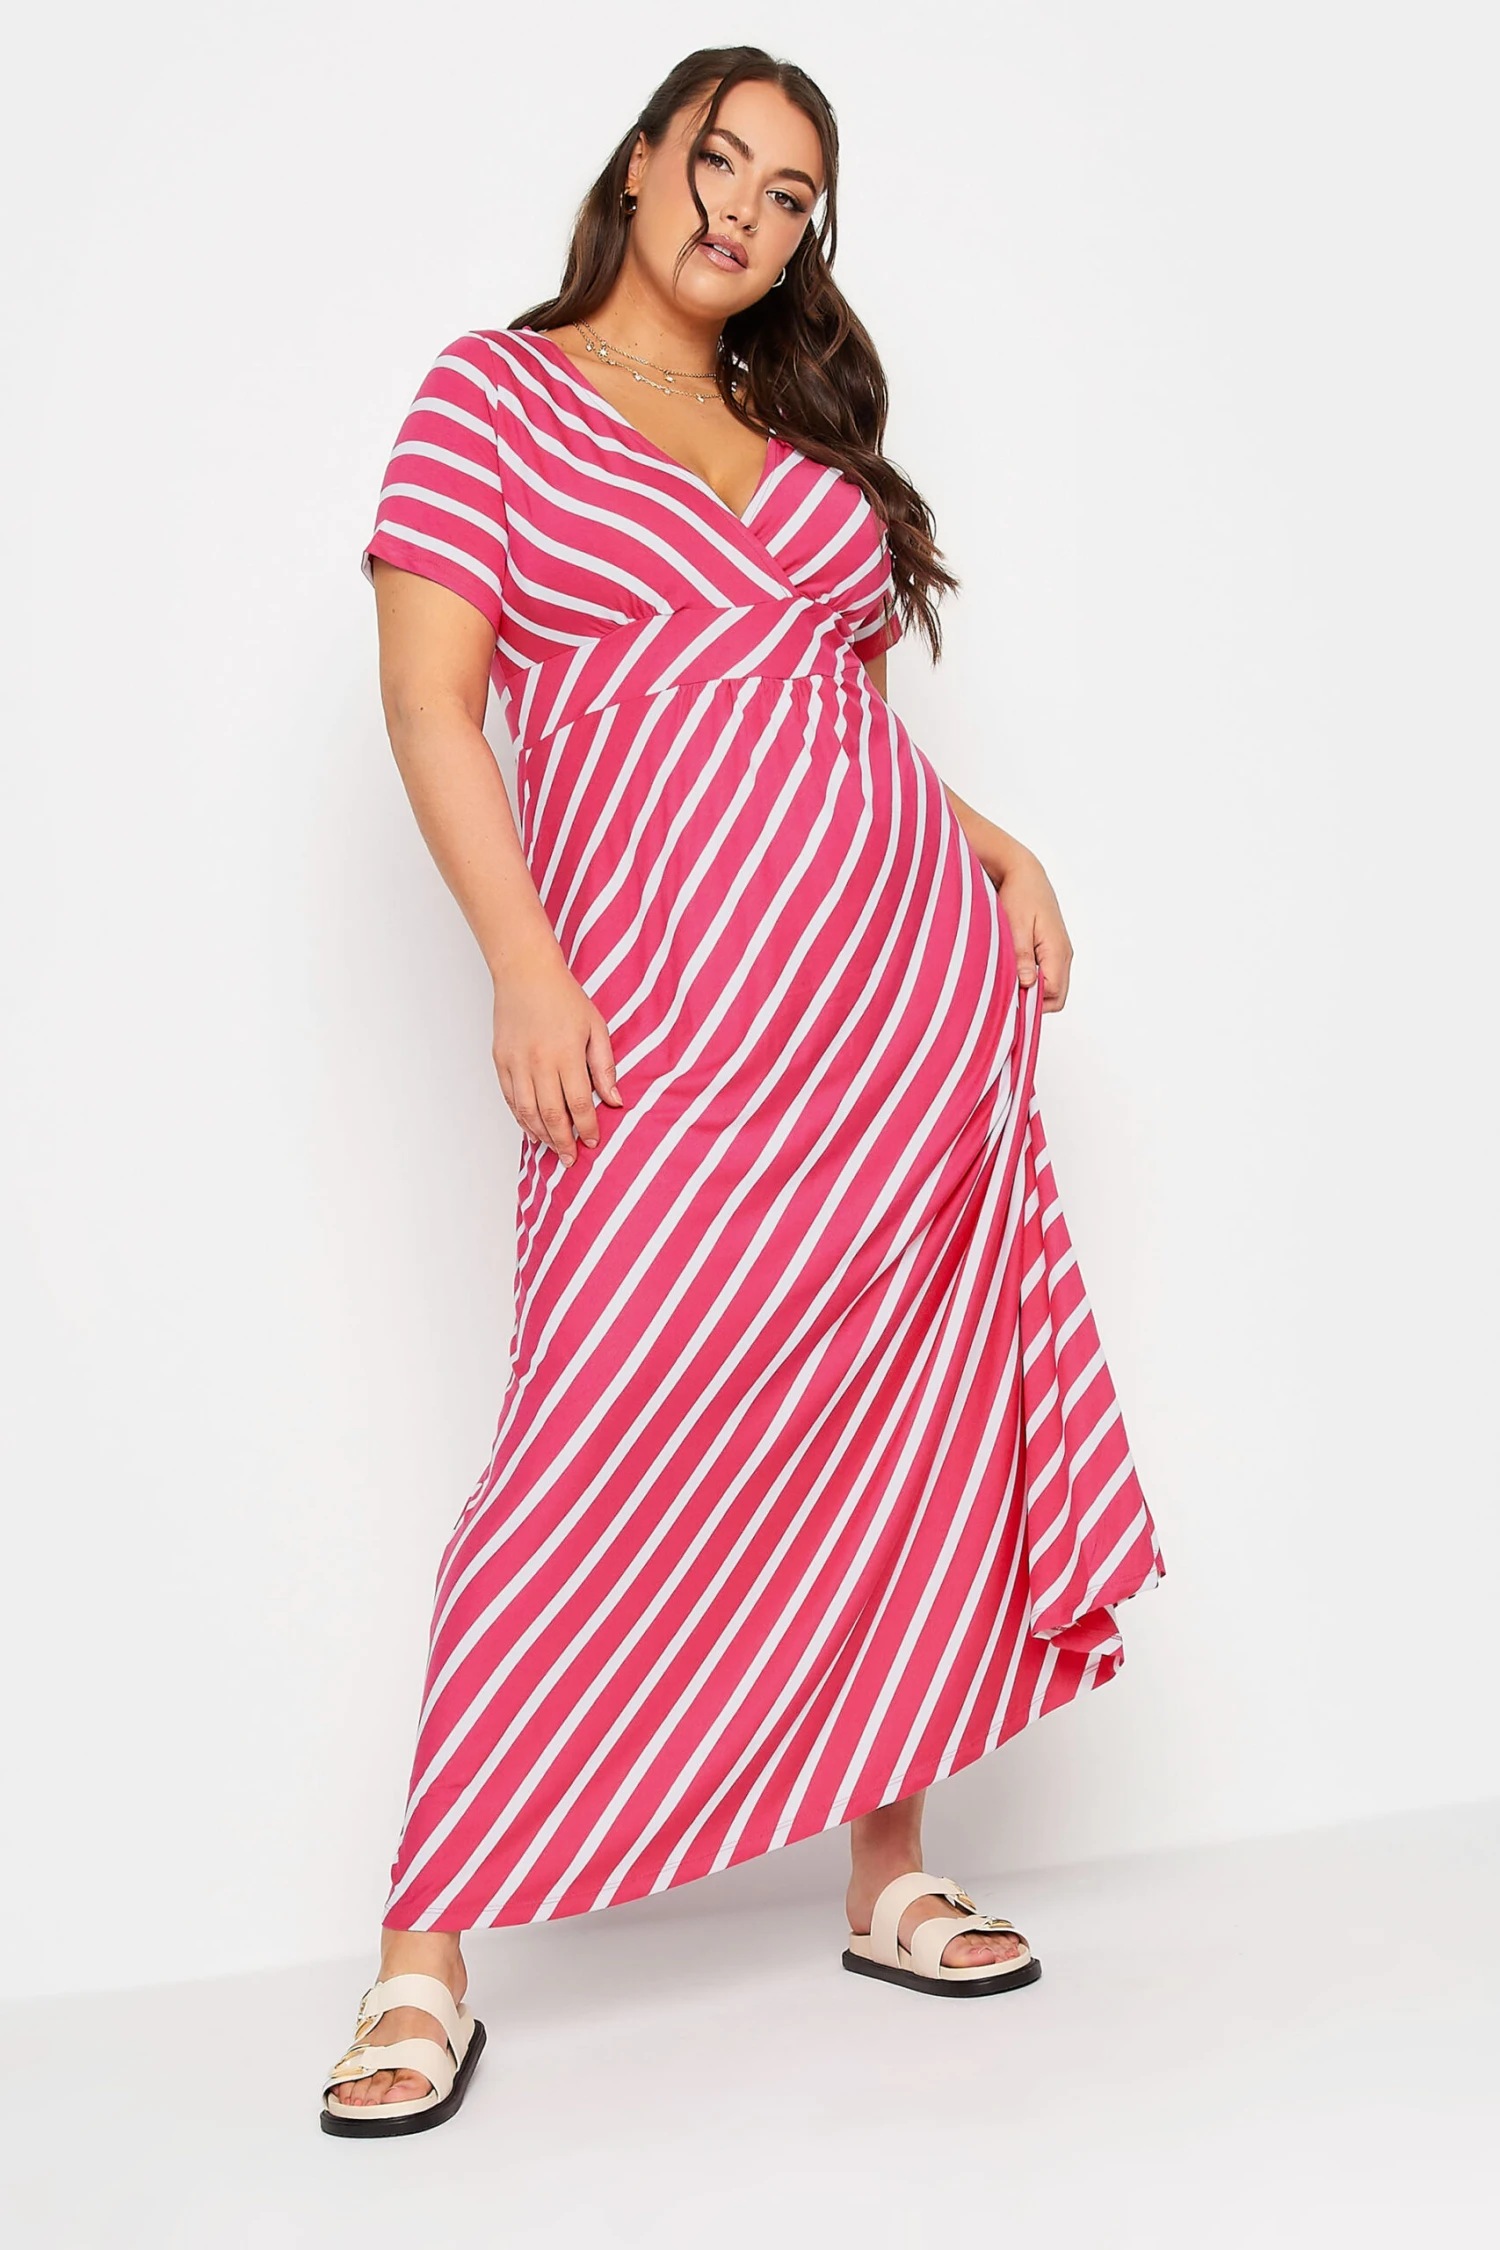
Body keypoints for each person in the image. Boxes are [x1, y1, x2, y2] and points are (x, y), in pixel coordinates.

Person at [320, 44, 1163, 2137]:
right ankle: (425, 1955)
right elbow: (430, 700)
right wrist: (524, 960)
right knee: (587, 1436)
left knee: (895, 1424)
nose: (746, 214)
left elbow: (829, 708)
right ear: (640, 165)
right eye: (721, 164)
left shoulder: (791, 432)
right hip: (661, 1022)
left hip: (894, 1012)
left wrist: (990, 843)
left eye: (791, 197)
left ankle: (889, 1872)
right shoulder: (492, 397)